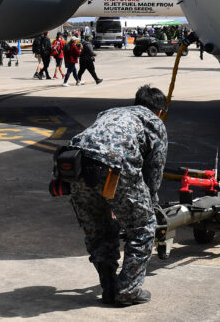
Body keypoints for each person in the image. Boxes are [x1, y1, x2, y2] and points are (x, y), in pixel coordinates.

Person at [67, 84, 168, 306]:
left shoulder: (110, 112)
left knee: (99, 231)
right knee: (142, 228)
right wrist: (149, 202)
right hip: (114, 168)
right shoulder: (154, 122)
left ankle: (110, 288)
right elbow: (155, 167)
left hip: (75, 167)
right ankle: (128, 291)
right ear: (160, 110)